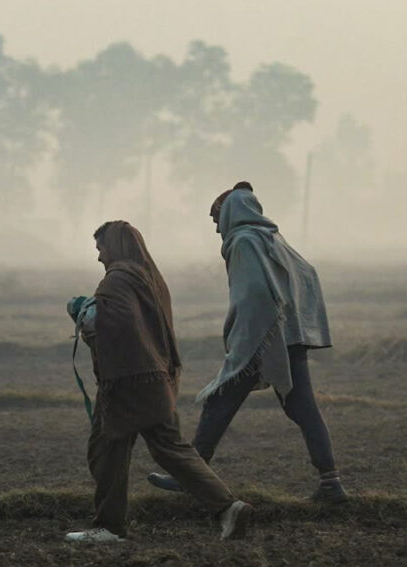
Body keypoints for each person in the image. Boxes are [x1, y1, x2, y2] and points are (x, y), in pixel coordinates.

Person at [147, 182, 347, 503]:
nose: (217, 229)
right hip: (288, 337)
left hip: (261, 339)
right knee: (303, 407)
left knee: (219, 402)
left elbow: (252, 295)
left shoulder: (243, 241)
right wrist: (292, 321)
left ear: (230, 213)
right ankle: (331, 482)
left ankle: (190, 477)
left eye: (217, 219)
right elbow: (306, 275)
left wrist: (245, 338)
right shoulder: (272, 238)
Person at [65, 220, 253, 543]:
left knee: (105, 451)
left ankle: (109, 527)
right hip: (156, 380)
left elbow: (117, 326)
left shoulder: (117, 279)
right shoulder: (150, 277)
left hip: (126, 384)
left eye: (101, 248)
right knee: (169, 450)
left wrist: (86, 314)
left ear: (115, 246)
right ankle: (228, 507)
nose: (99, 256)